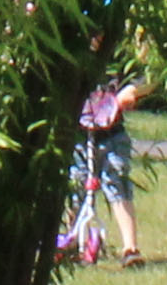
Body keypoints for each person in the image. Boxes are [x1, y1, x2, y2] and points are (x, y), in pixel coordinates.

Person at [61, 72, 148, 266]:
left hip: (112, 133)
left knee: (118, 184)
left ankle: (130, 248)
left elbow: (146, 76)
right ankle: (74, 240)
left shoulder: (114, 62)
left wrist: (132, 90)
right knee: (77, 187)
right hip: (79, 135)